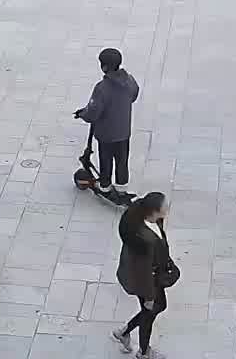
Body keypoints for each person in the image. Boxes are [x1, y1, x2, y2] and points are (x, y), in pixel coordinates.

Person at [112, 192, 175, 358]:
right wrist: (149, 297)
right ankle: (144, 352)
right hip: (145, 281)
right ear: (154, 211)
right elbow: (144, 271)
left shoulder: (149, 220)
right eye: (164, 206)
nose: (167, 207)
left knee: (156, 308)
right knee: (151, 310)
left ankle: (124, 332)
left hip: (150, 275)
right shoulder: (145, 238)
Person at [76, 48, 141, 204]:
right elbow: (134, 94)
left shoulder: (102, 88)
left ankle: (105, 186)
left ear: (104, 66)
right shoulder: (130, 80)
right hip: (124, 131)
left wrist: (82, 114)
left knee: (106, 159)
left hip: (106, 133)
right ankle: (122, 187)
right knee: (122, 159)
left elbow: (93, 112)